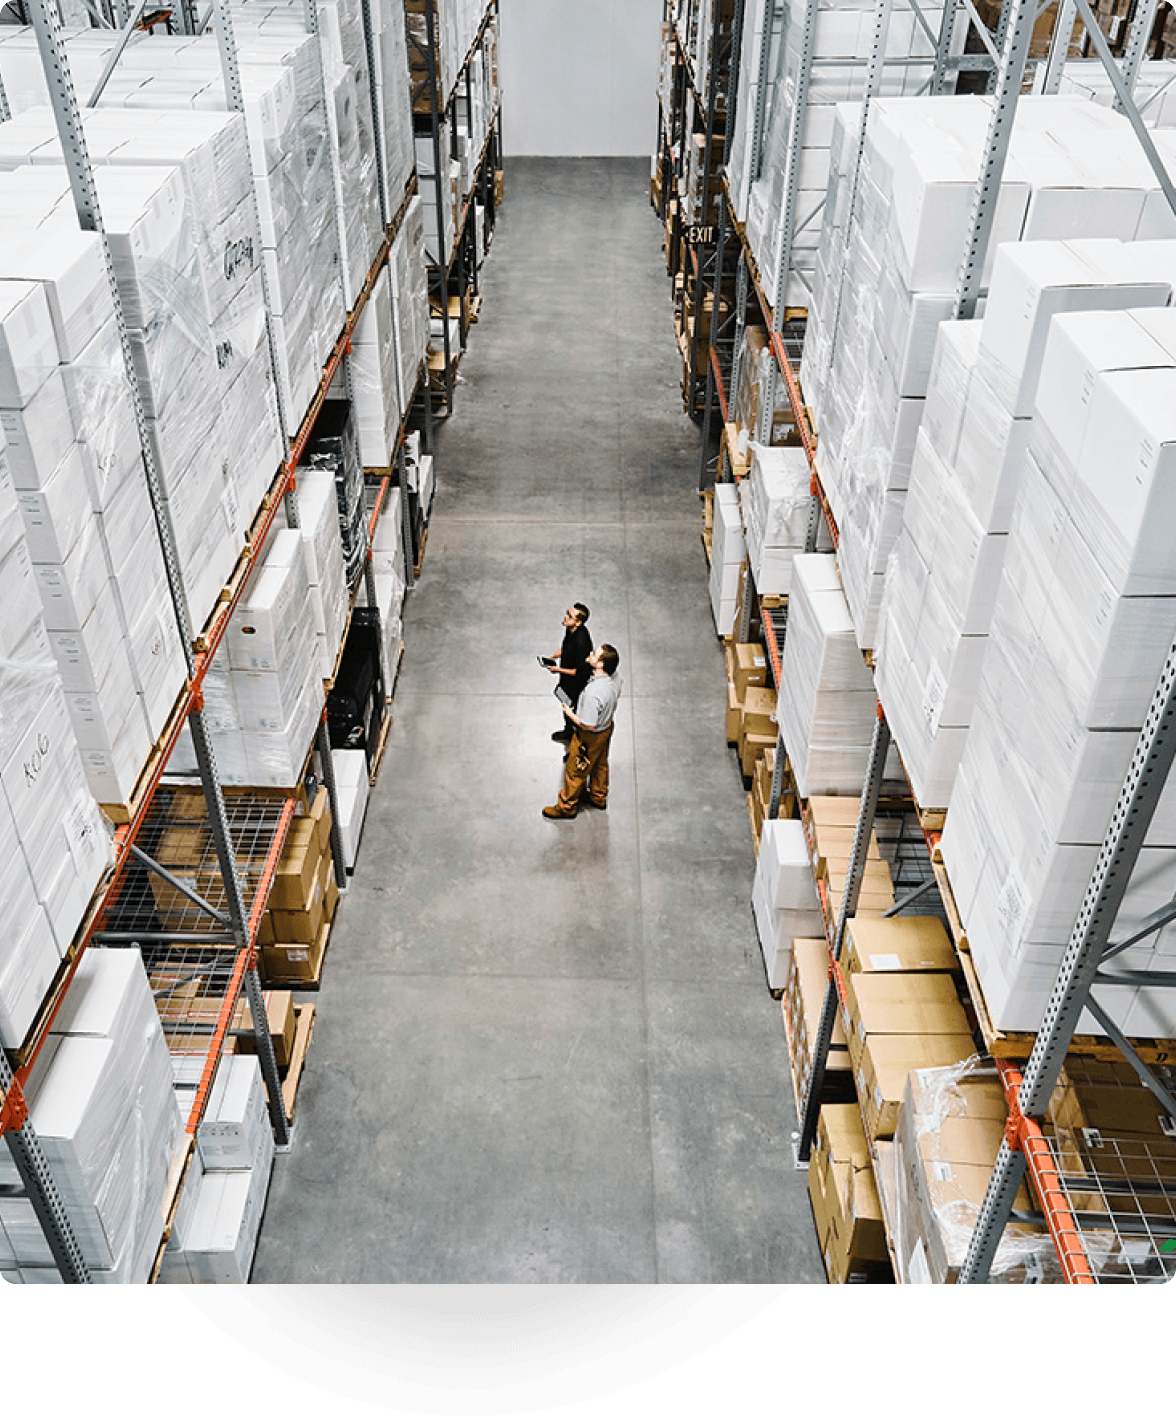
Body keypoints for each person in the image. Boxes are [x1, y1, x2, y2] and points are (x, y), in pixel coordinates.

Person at [543, 644, 621, 819]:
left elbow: (588, 724)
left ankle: (567, 807)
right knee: (600, 764)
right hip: (606, 729)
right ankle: (598, 797)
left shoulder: (592, 693)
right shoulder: (614, 681)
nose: (591, 654)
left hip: (589, 737)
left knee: (574, 771)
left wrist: (570, 714)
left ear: (600, 664)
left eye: (595, 654)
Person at [546, 602, 592, 742]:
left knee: (574, 713)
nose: (565, 617)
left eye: (569, 616)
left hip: (576, 685)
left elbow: (579, 672)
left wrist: (557, 669)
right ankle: (567, 732)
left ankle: (575, 747)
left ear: (578, 622)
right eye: (567, 613)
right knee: (566, 708)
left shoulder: (582, 642)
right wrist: (555, 655)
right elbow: (566, 648)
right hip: (566, 680)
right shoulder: (569, 629)